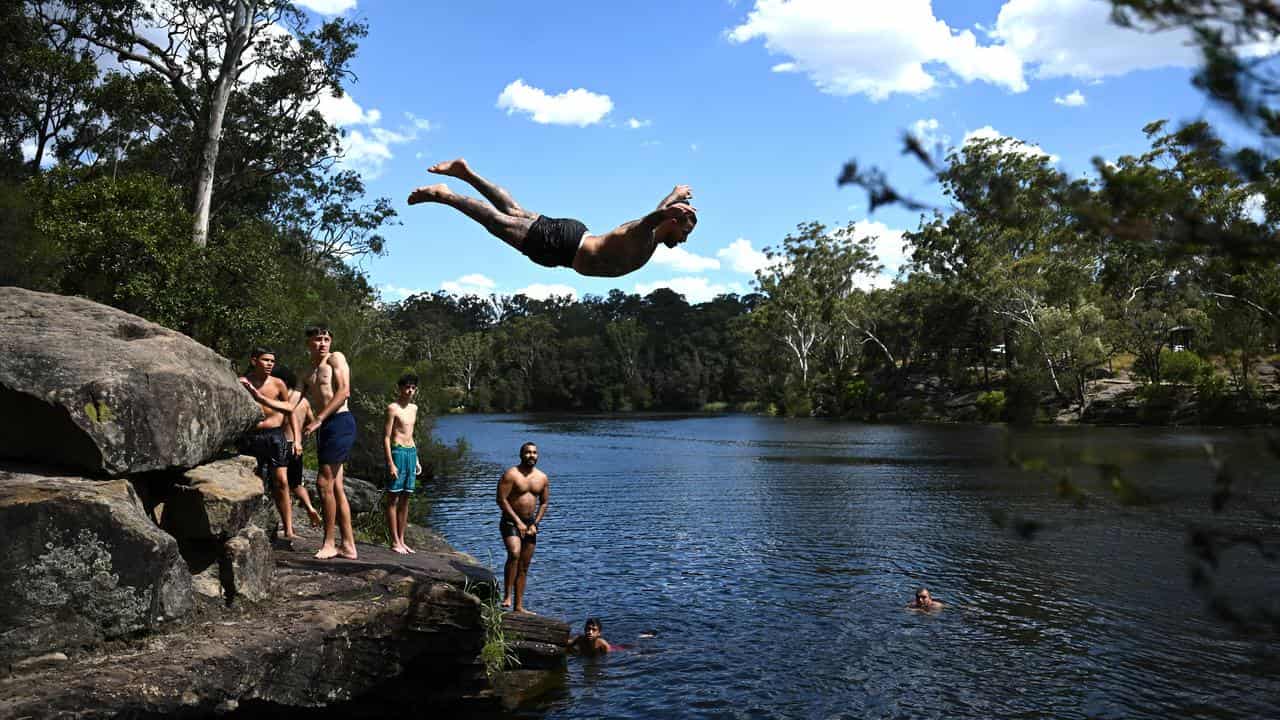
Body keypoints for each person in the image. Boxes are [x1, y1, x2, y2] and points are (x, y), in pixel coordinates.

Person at [407, 158, 698, 278]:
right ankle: (444, 194)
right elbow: (651, 220)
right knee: (498, 223)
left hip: (570, 239)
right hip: (565, 247)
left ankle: (465, 173)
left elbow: (655, 217)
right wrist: (668, 207)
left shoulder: (650, 239)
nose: (684, 240)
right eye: (685, 232)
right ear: (672, 222)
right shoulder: (644, 235)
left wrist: (673, 195)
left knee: (513, 212)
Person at [243, 325, 357, 560]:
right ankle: (348, 545)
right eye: (317, 339)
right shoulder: (306, 373)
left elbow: (344, 391)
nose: (323, 343)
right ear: (309, 343)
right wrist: (259, 396)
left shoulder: (336, 359)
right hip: (327, 426)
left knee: (324, 484)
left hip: (340, 421)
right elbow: (289, 406)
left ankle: (329, 543)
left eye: (326, 338)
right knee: (335, 487)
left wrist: (319, 420)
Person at [237, 348, 296, 540]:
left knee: (282, 481)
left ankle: (288, 529)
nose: (270, 364)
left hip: (275, 436)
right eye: (266, 360)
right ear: (254, 361)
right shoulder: (243, 382)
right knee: (254, 481)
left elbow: (289, 410)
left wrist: (295, 438)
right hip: (251, 436)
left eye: (272, 361)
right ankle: (252, 524)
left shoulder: (278, 384)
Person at [496, 441, 549, 613]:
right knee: (514, 553)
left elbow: (544, 502)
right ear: (521, 455)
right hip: (510, 521)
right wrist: (517, 522)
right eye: (527, 452)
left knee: (524, 566)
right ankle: (507, 596)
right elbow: (501, 500)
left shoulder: (542, 478)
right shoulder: (511, 474)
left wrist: (535, 523)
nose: (531, 455)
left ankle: (519, 606)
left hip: (530, 524)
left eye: (534, 452)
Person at [273, 365, 322, 529]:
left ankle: (288, 524)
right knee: (297, 484)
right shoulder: (305, 402)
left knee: (282, 484)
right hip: (297, 446)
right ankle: (309, 506)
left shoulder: (282, 400)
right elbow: (311, 421)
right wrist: (302, 434)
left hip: (282, 444)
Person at [383, 373, 423, 555]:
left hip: (410, 451)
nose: (410, 391)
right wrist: (390, 463)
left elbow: (411, 434)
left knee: (406, 498)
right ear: (399, 388)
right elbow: (386, 437)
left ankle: (402, 539)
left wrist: (416, 459)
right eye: (407, 387)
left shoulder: (414, 408)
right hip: (398, 451)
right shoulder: (393, 408)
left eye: (413, 388)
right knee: (393, 497)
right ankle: (394, 541)